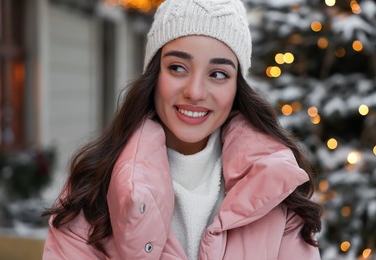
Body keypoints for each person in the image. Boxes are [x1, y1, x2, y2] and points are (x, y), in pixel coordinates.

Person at [42, 0, 323, 259]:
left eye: (218, 74)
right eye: (177, 67)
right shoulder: (91, 191)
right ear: (154, 75)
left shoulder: (276, 184)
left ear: (237, 87)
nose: (195, 92)